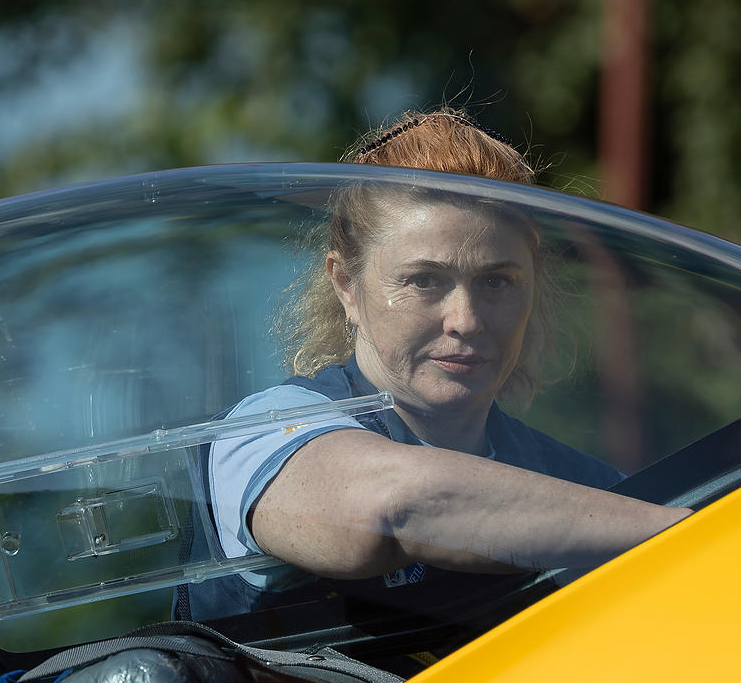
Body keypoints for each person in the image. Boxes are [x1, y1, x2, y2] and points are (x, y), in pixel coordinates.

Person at [182, 109, 688, 623]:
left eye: (497, 282)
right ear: (347, 286)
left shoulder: (587, 485)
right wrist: (684, 535)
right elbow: (394, 505)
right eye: (424, 281)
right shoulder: (262, 434)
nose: (466, 320)